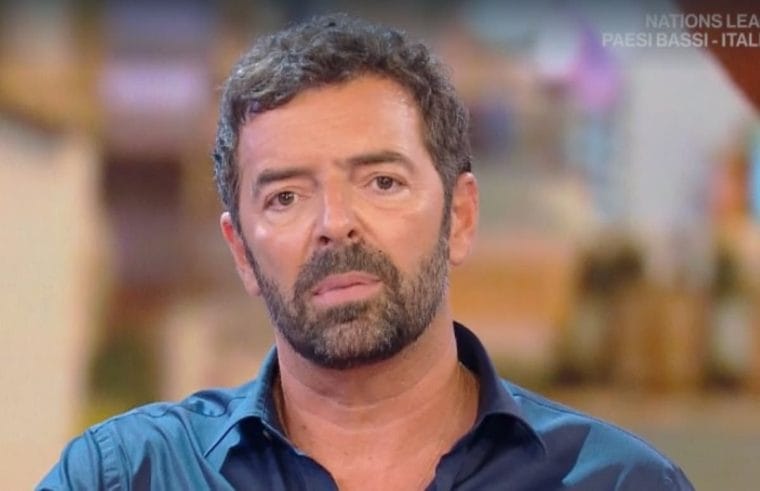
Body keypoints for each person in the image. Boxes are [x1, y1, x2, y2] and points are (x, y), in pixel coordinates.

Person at [39, 14, 693, 490]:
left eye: (381, 182)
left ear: (460, 216)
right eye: (285, 196)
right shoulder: (124, 475)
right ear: (240, 251)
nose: (336, 224)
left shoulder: (617, 481)